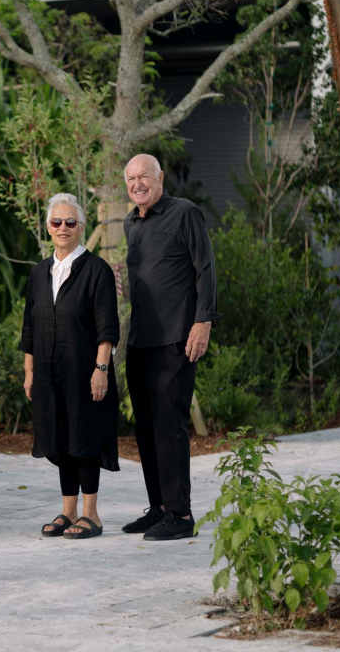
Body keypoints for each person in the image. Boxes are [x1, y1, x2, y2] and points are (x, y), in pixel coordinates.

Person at [120, 154, 219, 541]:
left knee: (170, 426)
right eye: (131, 178)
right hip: (140, 338)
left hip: (176, 338)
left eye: (144, 175)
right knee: (145, 428)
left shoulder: (184, 213)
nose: (137, 183)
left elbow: (206, 268)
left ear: (160, 178)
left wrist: (203, 321)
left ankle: (180, 514)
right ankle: (159, 507)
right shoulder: (131, 222)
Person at [20, 193, 120, 540]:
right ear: (48, 227)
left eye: (70, 222)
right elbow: (29, 327)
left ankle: (91, 514)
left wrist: (101, 369)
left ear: (81, 226)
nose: (63, 228)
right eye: (56, 222)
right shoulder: (38, 273)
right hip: (48, 372)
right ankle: (68, 510)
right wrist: (29, 371)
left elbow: (107, 326)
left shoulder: (97, 271)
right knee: (61, 440)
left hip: (85, 371)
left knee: (85, 437)